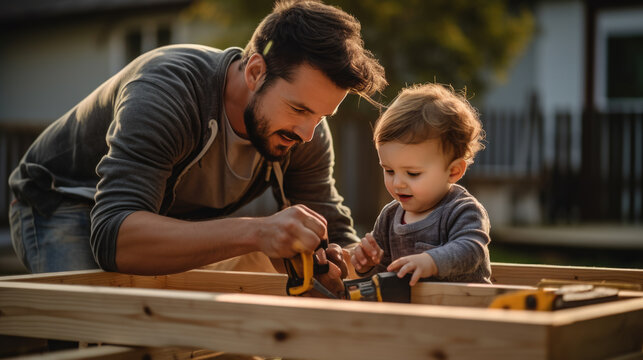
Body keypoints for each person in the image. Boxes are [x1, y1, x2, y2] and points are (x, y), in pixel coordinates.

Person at [8, 0, 386, 286]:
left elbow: (330, 226)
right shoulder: (167, 91)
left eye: (321, 116)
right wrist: (257, 231)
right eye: (299, 109)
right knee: (93, 327)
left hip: (155, 219)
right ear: (255, 71)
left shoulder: (306, 131)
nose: (307, 133)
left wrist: (352, 259)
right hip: (63, 200)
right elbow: (114, 238)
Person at [350, 83, 491, 286]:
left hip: (465, 309)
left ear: (453, 171)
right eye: (389, 170)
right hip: (412, 314)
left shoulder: (462, 210)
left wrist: (431, 261)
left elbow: (471, 250)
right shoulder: (389, 217)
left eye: (413, 173)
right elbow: (385, 273)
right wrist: (367, 265)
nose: (398, 183)